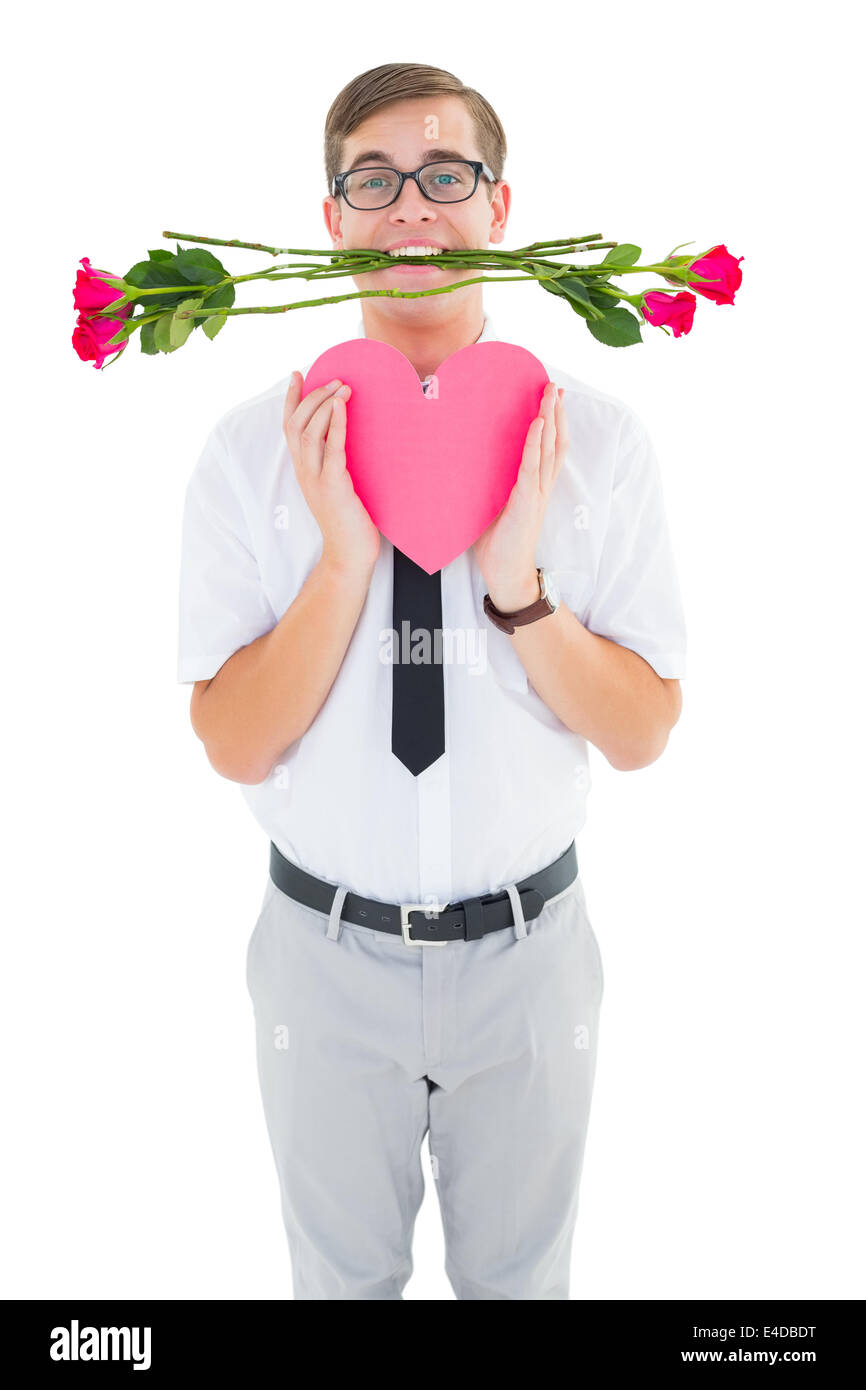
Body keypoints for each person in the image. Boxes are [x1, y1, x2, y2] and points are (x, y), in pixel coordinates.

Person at [177, 62, 687, 1300]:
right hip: (321, 953)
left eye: (444, 175)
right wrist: (341, 562)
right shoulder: (252, 451)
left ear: (500, 210)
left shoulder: (594, 443)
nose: (411, 207)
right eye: (373, 179)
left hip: (529, 955)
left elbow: (641, 730)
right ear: (331, 220)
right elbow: (235, 743)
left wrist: (517, 586)